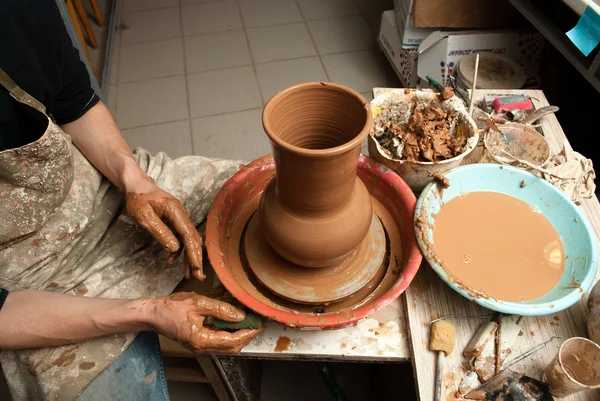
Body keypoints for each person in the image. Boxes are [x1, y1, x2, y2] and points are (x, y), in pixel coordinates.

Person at [0, 1, 264, 400]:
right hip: (27, 276)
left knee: (258, 190)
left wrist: (135, 181)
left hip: (93, 185)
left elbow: (74, 100)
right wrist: (148, 312)